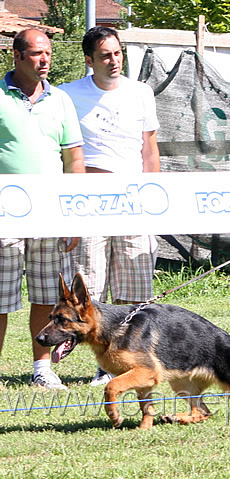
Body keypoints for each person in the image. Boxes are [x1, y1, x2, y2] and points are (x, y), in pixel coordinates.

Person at [59, 26, 160, 386]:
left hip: (134, 200)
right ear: (89, 60)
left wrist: (153, 200)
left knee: (135, 290)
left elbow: (149, 150)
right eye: (105, 55)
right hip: (89, 200)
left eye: (117, 53)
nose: (114, 61)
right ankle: (104, 367)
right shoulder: (67, 95)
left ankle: (134, 362)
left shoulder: (141, 92)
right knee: (91, 283)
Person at [0, 28, 85, 389]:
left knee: (47, 297)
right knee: (0, 300)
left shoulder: (61, 100)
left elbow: (73, 158)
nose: (44, 59)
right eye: (36, 53)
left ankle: (42, 369)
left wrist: (75, 215)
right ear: (16, 56)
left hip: (51, 214)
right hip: (5, 214)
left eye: (47, 53)